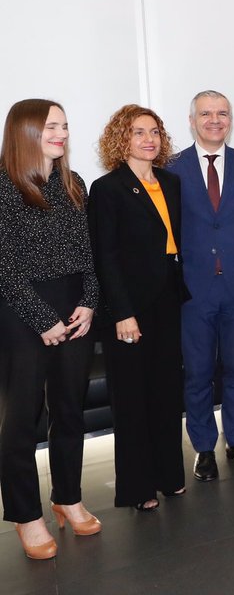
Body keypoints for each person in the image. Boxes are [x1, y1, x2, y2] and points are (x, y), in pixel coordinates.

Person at [0, 100, 100, 560]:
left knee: (70, 409)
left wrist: (89, 301)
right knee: (22, 418)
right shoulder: (4, 186)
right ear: (25, 133)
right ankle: (26, 515)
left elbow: (88, 252)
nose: (61, 133)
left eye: (64, 125)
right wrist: (43, 320)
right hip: (21, 312)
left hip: (75, 305)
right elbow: (5, 267)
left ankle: (68, 498)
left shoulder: (72, 182)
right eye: (50, 127)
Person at [167, 91, 234, 481]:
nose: (215, 120)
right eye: (206, 114)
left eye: (222, 113)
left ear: (230, 119)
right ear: (192, 120)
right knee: (197, 373)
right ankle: (203, 448)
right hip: (192, 291)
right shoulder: (171, 168)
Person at [89, 104, 188, 509]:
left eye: (154, 132)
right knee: (132, 398)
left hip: (167, 298)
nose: (149, 140)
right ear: (121, 139)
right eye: (138, 132)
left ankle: (170, 475)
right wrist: (122, 312)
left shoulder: (171, 182)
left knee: (167, 391)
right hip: (129, 306)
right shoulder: (108, 188)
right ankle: (138, 488)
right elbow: (105, 256)